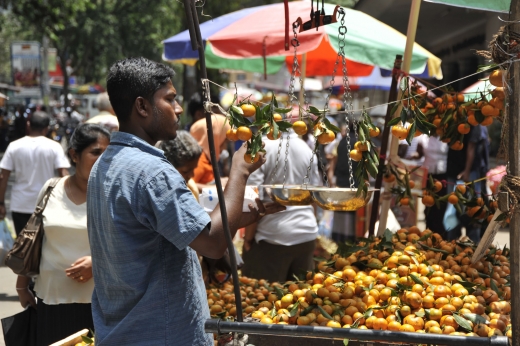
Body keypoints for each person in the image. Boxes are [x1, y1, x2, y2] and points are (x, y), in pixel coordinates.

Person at [87, 57, 284, 345]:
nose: (179, 109)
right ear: (142, 107)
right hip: (162, 334)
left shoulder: (105, 165)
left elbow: (172, 231)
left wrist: (244, 217)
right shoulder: (152, 171)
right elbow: (214, 244)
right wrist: (240, 170)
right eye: (170, 99)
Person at [15, 124, 110, 346]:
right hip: (51, 300)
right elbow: (34, 239)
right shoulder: (51, 188)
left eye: (108, 153)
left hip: (100, 302)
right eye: (96, 152)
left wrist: (98, 264)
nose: (103, 159)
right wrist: (22, 286)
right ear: (74, 155)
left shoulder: (114, 195)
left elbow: (131, 245)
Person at [242, 130, 320, 282]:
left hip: (272, 237)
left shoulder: (261, 148)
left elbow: (253, 198)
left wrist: (248, 238)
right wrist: (312, 226)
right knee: (299, 299)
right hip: (307, 233)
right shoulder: (306, 148)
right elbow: (314, 195)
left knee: (263, 300)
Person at [0, 111, 70, 236]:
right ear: (47, 128)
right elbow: (64, 175)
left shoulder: (14, 146)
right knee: (44, 245)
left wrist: (1, 203)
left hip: (20, 204)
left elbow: (3, 177)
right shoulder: (54, 147)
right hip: (46, 205)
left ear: (28, 124)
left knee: (23, 246)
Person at [445, 124, 489, 243]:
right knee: (456, 208)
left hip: (468, 173)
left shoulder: (474, 123)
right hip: (458, 171)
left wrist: (467, 171)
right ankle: (454, 242)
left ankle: (469, 242)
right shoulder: (464, 119)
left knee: (470, 208)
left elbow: (472, 147)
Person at [158, 130, 202, 200]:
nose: (192, 175)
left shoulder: (191, 188)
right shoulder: (162, 194)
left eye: (193, 169)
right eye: (185, 171)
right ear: (169, 167)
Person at [190, 113, 230, 186]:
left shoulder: (207, 159)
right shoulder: (199, 159)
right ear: (215, 138)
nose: (224, 148)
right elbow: (188, 186)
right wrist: (215, 186)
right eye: (224, 141)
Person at [422, 135, 449, 236]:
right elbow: (419, 152)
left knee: (441, 206)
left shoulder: (446, 137)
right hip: (429, 176)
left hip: (443, 176)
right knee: (428, 205)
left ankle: (441, 234)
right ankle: (428, 231)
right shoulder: (425, 137)